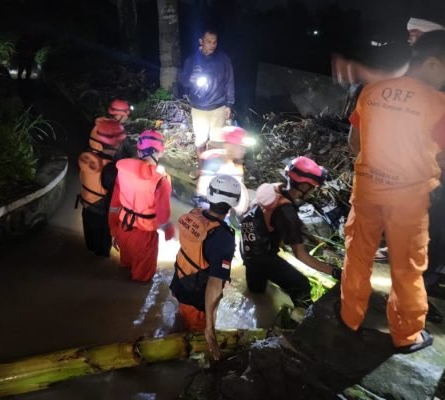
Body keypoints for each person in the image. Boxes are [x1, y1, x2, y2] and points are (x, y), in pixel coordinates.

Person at [337, 31, 445, 354]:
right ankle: (406, 334)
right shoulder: (438, 103)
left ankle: (349, 317)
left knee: (357, 254)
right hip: (408, 199)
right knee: (407, 265)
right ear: (432, 64)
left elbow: (354, 143)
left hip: (367, 189)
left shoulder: (371, 92)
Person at [240, 157, 341, 309]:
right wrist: (334, 272)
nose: (314, 191)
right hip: (263, 258)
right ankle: (301, 324)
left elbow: (266, 219)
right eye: (313, 187)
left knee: (257, 291)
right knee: (302, 285)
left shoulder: (273, 189)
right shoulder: (287, 213)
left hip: (246, 248)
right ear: (305, 186)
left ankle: (257, 308)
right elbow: (301, 255)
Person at [170, 175, 242, 360]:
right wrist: (210, 326)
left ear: (209, 195)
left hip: (180, 282)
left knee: (181, 320)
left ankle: (173, 335)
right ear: (234, 202)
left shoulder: (195, 214)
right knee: (197, 339)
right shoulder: (223, 238)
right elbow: (214, 284)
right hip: (196, 296)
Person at [109, 130, 174, 282]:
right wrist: (168, 232)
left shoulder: (123, 170)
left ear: (139, 151)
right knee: (142, 280)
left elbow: (114, 204)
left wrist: (113, 230)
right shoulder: (161, 180)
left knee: (125, 267)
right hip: (144, 236)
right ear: (159, 152)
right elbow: (163, 214)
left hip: (123, 229)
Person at [181, 28, 235, 176]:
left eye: (215, 42)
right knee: (200, 141)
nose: (212, 45)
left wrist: (229, 104)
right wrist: (189, 79)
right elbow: (183, 80)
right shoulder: (192, 59)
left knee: (217, 142)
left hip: (218, 106)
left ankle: (215, 171)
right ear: (201, 41)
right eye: (209, 41)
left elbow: (230, 81)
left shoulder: (223, 58)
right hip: (198, 108)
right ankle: (202, 168)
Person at [77, 118, 126, 256]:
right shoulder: (110, 170)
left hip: (86, 209)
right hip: (101, 215)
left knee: (90, 245)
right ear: (116, 146)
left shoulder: (86, 157)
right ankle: (97, 272)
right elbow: (117, 196)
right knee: (102, 252)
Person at [194, 125, 251, 215]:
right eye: (240, 147)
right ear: (229, 146)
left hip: (224, 212)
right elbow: (203, 192)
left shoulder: (237, 165)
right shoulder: (214, 162)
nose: (243, 151)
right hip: (211, 212)